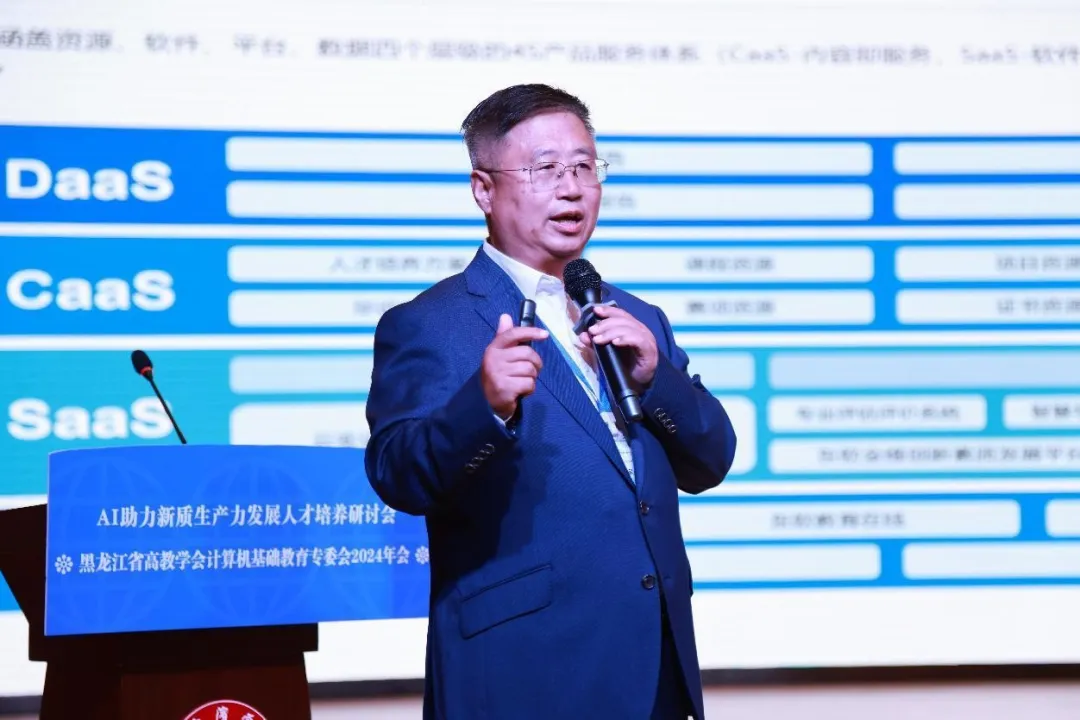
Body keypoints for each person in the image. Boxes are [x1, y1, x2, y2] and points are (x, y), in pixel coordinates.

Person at [364, 83, 738, 719]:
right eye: (545, 169)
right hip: (524, 670)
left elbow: (711, 461)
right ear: (484, 189)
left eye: (585, 167)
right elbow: (398, 474)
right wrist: (483, 405)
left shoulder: (637, 316)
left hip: (654, 664)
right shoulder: (431, 322)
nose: (572, 189)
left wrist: (656, 378)